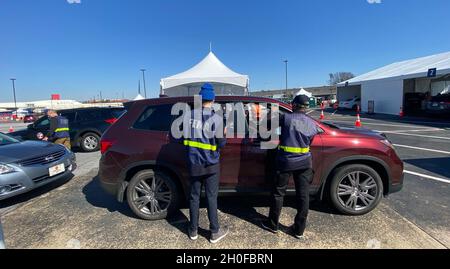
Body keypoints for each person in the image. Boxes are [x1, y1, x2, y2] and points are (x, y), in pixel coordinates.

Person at [261, 94, 318, 239]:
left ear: (293, 105)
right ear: (306, 108)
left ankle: (272, 225)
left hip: (285, 161)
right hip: (305, 162)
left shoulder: (285, 118)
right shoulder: (312, 123)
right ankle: (299, 230)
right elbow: (310, 140)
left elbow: (267, 126)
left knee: (278, 193)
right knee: (303, 196)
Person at [184, 83, 228, 244]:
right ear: (213, 99)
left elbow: (184, 137)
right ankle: (214, 232)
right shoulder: (216, 118)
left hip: (194, 163)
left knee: (194, 197)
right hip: (211, 165)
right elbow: (222, 144)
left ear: (200, 98)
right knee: (211, 197)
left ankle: (193, 230)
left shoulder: (189, 116)